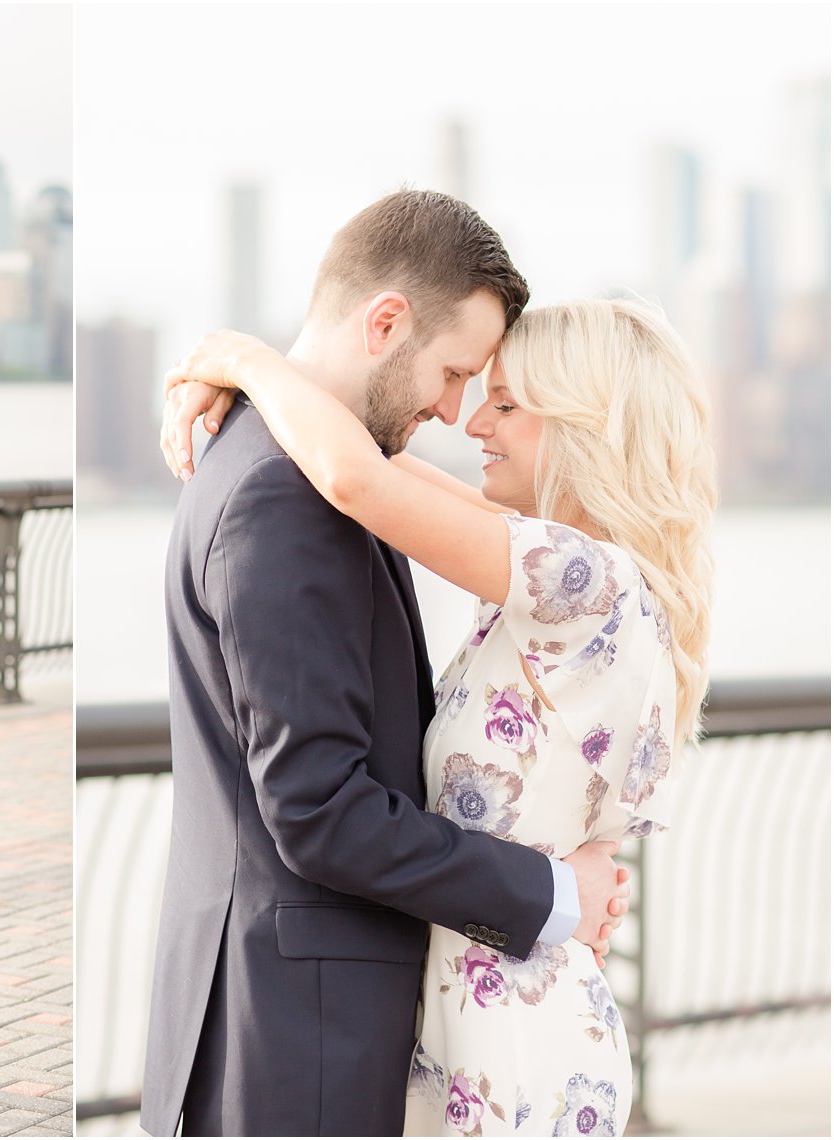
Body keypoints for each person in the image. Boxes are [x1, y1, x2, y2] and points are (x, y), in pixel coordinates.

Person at [140, 190, 632, 1138]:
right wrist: (555, 895)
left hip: (275, 1017)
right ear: (386, 322)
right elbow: (319, 810)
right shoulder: (288, 497)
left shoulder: (282, 462)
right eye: (453, 373)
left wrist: (240, 358)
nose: (453, 409)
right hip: (296, 1041)